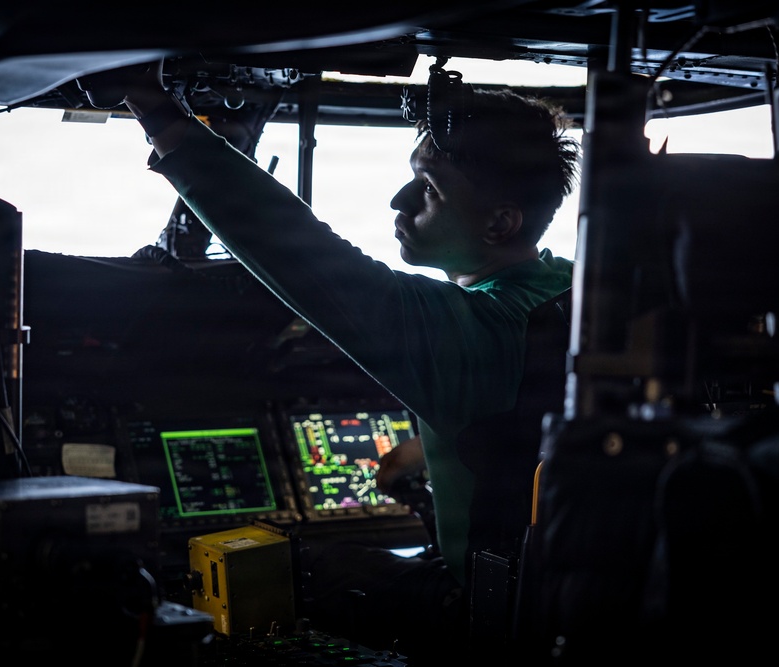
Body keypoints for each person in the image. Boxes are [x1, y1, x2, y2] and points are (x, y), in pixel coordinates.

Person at [107, 62, 580, 656]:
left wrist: (153, 107)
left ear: (501, 223)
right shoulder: (565, 290)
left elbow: (298, 251)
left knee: (292, 569)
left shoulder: (473, 331)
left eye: (430, 189)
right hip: (560, 595)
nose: (399, 200)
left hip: (492, 617)